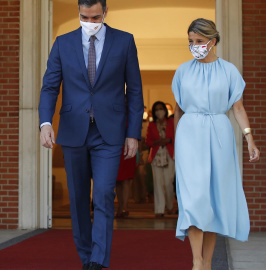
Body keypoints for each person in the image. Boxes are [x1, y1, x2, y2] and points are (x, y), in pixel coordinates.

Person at [38, 0, 143, 269]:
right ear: (79, 13)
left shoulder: (125, 41)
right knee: (78, 198)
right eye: (85, 17)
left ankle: (98, 259)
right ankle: (86, 257)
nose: (91, 22)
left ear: (106, 13)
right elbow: (50, 86)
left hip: (110, 132)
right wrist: (45, 123)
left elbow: (134, 90)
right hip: (74, 131)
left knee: (105, 195)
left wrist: (133, 134)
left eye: (96, 17)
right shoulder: (63, 42)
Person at [173, 18, 260, 270]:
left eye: (199, 41)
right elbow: (178, 109)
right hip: (189, 137)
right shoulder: (182, 71)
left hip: (220, 137)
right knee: (193, 200)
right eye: (191, 41)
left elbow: (239, 108)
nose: (195, 46)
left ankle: (208, 263)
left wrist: (250, 139)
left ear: (213, 41)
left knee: (213, 199)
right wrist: (179, 140)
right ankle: (197, 262)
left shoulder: (229, 71)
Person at [146, 101, 175, 217]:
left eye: (161, 109)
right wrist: (158, 141)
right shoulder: (152, 125)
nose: (159, 111)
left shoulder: (171, 122)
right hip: (156, 156)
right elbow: (148, 141)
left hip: (169, 155)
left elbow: (175, 136)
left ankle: (170, 206)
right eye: (156, 109)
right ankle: (159, 210)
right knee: (158, 184)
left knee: (168, 183)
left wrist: (168, 140)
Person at [115, 145, 136, 218]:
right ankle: (120, 206)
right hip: (116, 148)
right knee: (117, 181)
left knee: (126, 179)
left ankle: (125, 207)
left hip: (128, 147)